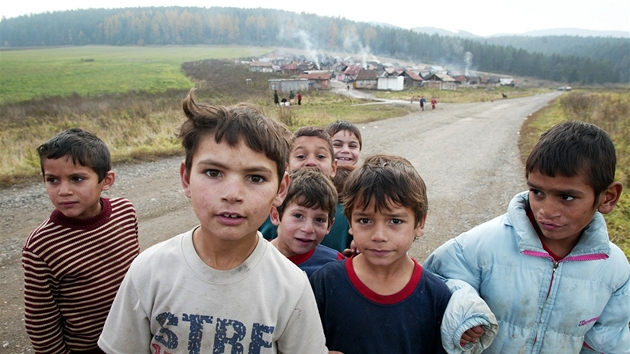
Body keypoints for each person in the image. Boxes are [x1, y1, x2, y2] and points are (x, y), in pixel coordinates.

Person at [98, 89, 330, 353]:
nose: (232, 194)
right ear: (186, 178)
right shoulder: (149, 272)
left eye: (255, 178)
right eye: (213, 172)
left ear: (281, 189)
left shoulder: (291, 287)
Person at [424, 121, 630, 353]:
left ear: (608, 197)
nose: (546, 210)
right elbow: (435, 282)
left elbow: (608, 343)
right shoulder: (477, 246)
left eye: (567, 197)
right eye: (538, 192)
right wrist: (463, 308)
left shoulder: (615, 270)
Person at [310, 155, 490, 354]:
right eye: (365, 220)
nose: (379, 236)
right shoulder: (325, 282)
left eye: (395, 221)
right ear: (350, 222)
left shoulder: (436, 296)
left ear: (420, 223)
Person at [22, 128, 140, 353]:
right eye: (53, 180)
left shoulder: (125, 211)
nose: (63, 191)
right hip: (89, 348)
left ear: (106, 180)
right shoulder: (40, 246)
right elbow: (41, 322)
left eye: (77, 179)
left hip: (134, 333)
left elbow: (137, 271)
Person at [260, 126, 338, 242]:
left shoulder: (348, 213)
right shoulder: (264, 209)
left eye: (320, 156)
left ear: (333, 168)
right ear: (286, 166)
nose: (311, 163)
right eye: (301, 156)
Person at [270, 168, 344, 277]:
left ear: (329, 225)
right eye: (298, 216)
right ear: (275, 216)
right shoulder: (251, 257)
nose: (308, 229)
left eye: (319, 220)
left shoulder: (335, 265)